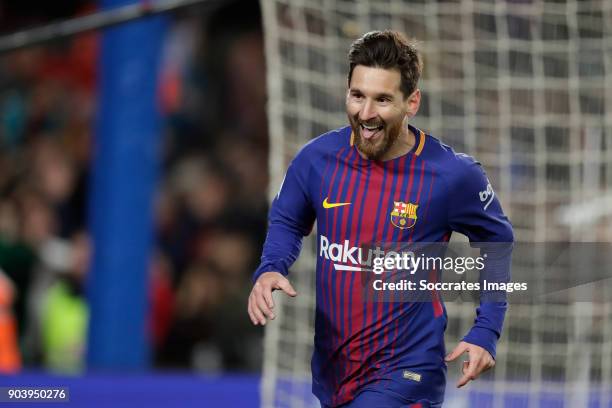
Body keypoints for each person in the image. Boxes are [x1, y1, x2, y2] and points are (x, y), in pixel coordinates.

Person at [248, 30, 513, 408]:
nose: (366, 114)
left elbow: (497, 242)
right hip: (334, 370)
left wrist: (486, 329)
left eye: (383, 100)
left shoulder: (452, 175)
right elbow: (289, 221)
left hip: (407, 370)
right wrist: (271, 266)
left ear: (412, 102)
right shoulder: (316, 160)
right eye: (358, 96)